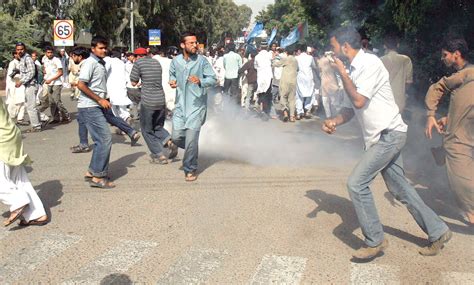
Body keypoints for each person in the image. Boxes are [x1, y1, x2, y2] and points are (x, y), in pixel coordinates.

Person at [322, 26, 451, 260]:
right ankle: (438, 231)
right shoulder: (351, 69)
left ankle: (375, 240)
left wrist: (341, 72)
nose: (331, 52)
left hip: (389, 134)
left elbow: (359, 101)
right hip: (382, 136)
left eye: (332, 47)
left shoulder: (369, 63)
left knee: (356, 183)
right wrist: (333, 121)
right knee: (400, 188)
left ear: (344, 47)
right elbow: (349, 110)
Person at [424, 37, 474, 225]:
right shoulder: (467, 75)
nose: (442, 58)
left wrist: (430, 115)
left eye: (445, 55)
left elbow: (438, 87)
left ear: (456, 55)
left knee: (463, 179)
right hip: (463, 137)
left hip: (460, 141)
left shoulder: (466, 74)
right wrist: (449, 118)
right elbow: (467, 105)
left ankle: (471, 213)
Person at [169, 32, 217, 181]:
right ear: (183, 45)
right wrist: (172, 81)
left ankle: (190, 168)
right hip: (180, 106)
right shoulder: (176, 61)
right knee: (176, 137)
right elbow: (172, 74)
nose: (195, 45)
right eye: (191, 43)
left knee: (191, 140)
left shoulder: (202, 61)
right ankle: (191, 150)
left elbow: (213, 79)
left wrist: (201, 81)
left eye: (196, 42)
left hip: (197, 106)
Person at [0, 97, 48, 227]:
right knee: (19, 180)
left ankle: (18, 200)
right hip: (10, 134)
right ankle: (36, 214)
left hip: (2, 140)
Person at [76, 36, 115, 189]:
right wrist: (99, 99)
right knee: (105, 139)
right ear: (93, 49)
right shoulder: (90, 63)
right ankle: (98, 177)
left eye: (105, 48)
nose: (104, 50)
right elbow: (81, 85)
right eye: (100, 48)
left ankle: (92, 172)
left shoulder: (99, 62)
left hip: (96, 105)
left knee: (101, 140)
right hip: (90, 106)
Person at [130, 47, 177, 164]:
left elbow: (133, 82)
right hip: (161, 100)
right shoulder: (156, 62)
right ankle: (170, 142)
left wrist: (140, 81)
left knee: (146, 130)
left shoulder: (138, 63)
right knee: (158, 127)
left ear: (136, 56)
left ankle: (159, 155)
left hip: (148, 101)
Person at [380, 35, 413, 114]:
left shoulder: (380, 60)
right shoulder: (406, 60)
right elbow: (408, 82)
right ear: (398, 45)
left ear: (384, 46)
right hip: (398, 102)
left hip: (382, 100)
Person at [15, 42, 43, 132]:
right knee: (29, 105)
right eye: (18, 50)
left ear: (25, 49)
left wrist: (21, 81)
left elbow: (31, 72)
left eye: (21, 49)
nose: (20, 51)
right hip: (27, 85)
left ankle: (36, 126)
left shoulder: (27, 58)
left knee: (31, 107)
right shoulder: (22, 59)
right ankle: (43, 119)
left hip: (31, 84)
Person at [40, 46, 71, 123]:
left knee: (57, 100)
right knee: (51, 102)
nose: (50, 54)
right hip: (49, 82)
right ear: (45, 53)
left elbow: (60, 72)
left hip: (57, 82)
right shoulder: (45, 60)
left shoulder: (56, 60)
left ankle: (65, 116)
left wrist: (51, 79)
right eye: (48, 52)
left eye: (51, 52)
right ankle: (55, 118)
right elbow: (45, 70)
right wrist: (45, 77)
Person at [273, 48, 298, 122]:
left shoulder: (285, 59)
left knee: (283, 97)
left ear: (286, 53)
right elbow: (298, 69)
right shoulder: (295, 60)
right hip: (293, 81)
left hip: (285, 81)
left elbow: (275, 64)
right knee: (292, 99)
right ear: (293, 52)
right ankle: (292, 116)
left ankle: (285, 113)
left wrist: (275, 57)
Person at [295, 45, 318, 119]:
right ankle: (307, 110)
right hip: (308, 78)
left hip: (300, 77)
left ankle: (299, 112)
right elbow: (314, 66)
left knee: (299, 95)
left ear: (299, 50)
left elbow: (296, 68)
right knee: (310, 94)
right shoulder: (310, 58)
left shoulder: (297, 58)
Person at [5, 51, 26, 123]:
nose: (18, 55)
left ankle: (20, 118)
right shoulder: (12, 63)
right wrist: (21, 75)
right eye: (17, 54)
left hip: (20, 84)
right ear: (14, 55)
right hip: (13, 85)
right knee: (14, 102)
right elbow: (11, 75)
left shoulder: (21, 62)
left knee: (22, 101)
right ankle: (10, 118)